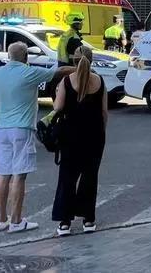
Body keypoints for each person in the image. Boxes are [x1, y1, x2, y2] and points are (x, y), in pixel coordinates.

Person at [0, 42, 73, 233]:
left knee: (3, 174)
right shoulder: (29, 73)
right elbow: (60, 71)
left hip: (2, 129)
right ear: (25, 57)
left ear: (9, 56)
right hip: (22, 129)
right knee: (19, 175)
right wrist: (83, 67)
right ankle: (16, 221)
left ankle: (1, 219)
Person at [52, 46, 108, 236]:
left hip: (70, 136)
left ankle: (65, 223)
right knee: (90, 178)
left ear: (74, 61)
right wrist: (101, 132)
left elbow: (58, 107)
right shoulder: (99, 81)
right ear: (91, 61)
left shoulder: (67, 81)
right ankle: (88, 220)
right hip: (94, 136)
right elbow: (104, 112)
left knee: (67, 178)